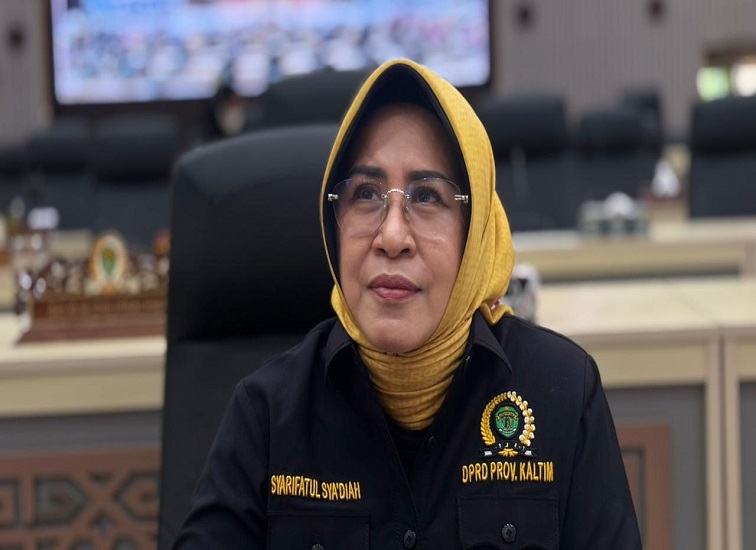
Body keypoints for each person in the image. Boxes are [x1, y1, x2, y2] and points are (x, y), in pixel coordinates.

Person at [173, 58, 641, 548]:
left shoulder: (563, 391)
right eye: (366, 194)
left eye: (428, 196)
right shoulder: (266, 414)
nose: (392, 236)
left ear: (474, 232)